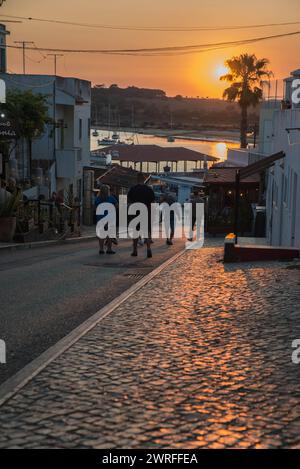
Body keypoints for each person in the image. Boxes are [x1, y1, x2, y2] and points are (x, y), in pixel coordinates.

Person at [127, 173, 155, 258]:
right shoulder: (149, 189)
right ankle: (149, 248)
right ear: (144, 179)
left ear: (137, 179)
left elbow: (129, 201)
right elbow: (152, 202)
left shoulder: (133, 189)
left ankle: (135, 250)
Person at [95, 185, 118, 255]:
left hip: (100, 218)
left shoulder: (97, 198)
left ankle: (101, 249)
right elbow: (117, 206)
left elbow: (95, 207)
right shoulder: (111, 198)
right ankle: (109, 249)